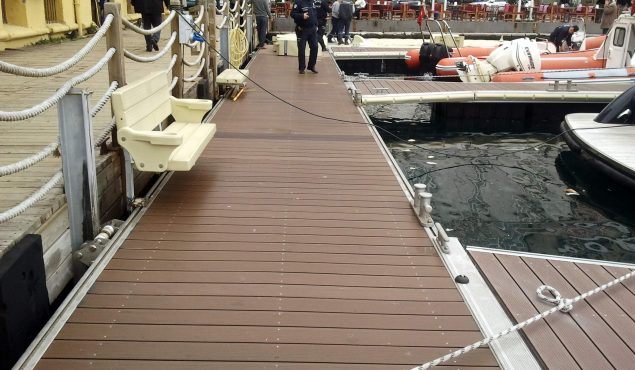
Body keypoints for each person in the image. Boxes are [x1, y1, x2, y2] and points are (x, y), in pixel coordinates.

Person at [292, 0, 319, 74]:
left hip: (312, 30)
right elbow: (293, 14)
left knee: (315, 47)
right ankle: (301, 68)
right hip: (302, 30)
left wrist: (316, 25)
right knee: (301, 49)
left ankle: (311, 66)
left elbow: (315, 14)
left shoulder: (312, 2)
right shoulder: (298, 2)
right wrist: (302, 16)